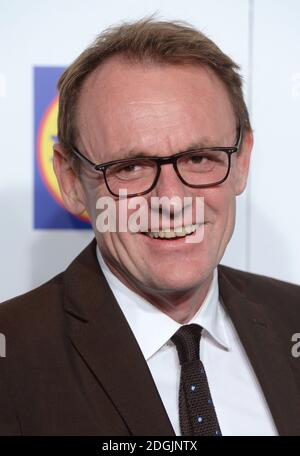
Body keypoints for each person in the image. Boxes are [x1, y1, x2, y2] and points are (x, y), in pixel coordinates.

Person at [1, 18, 300, 437]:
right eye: (131, 167)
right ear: (71, 181)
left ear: (241, 161)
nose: (172, 201)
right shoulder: (11, 361)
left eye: (199, 158)